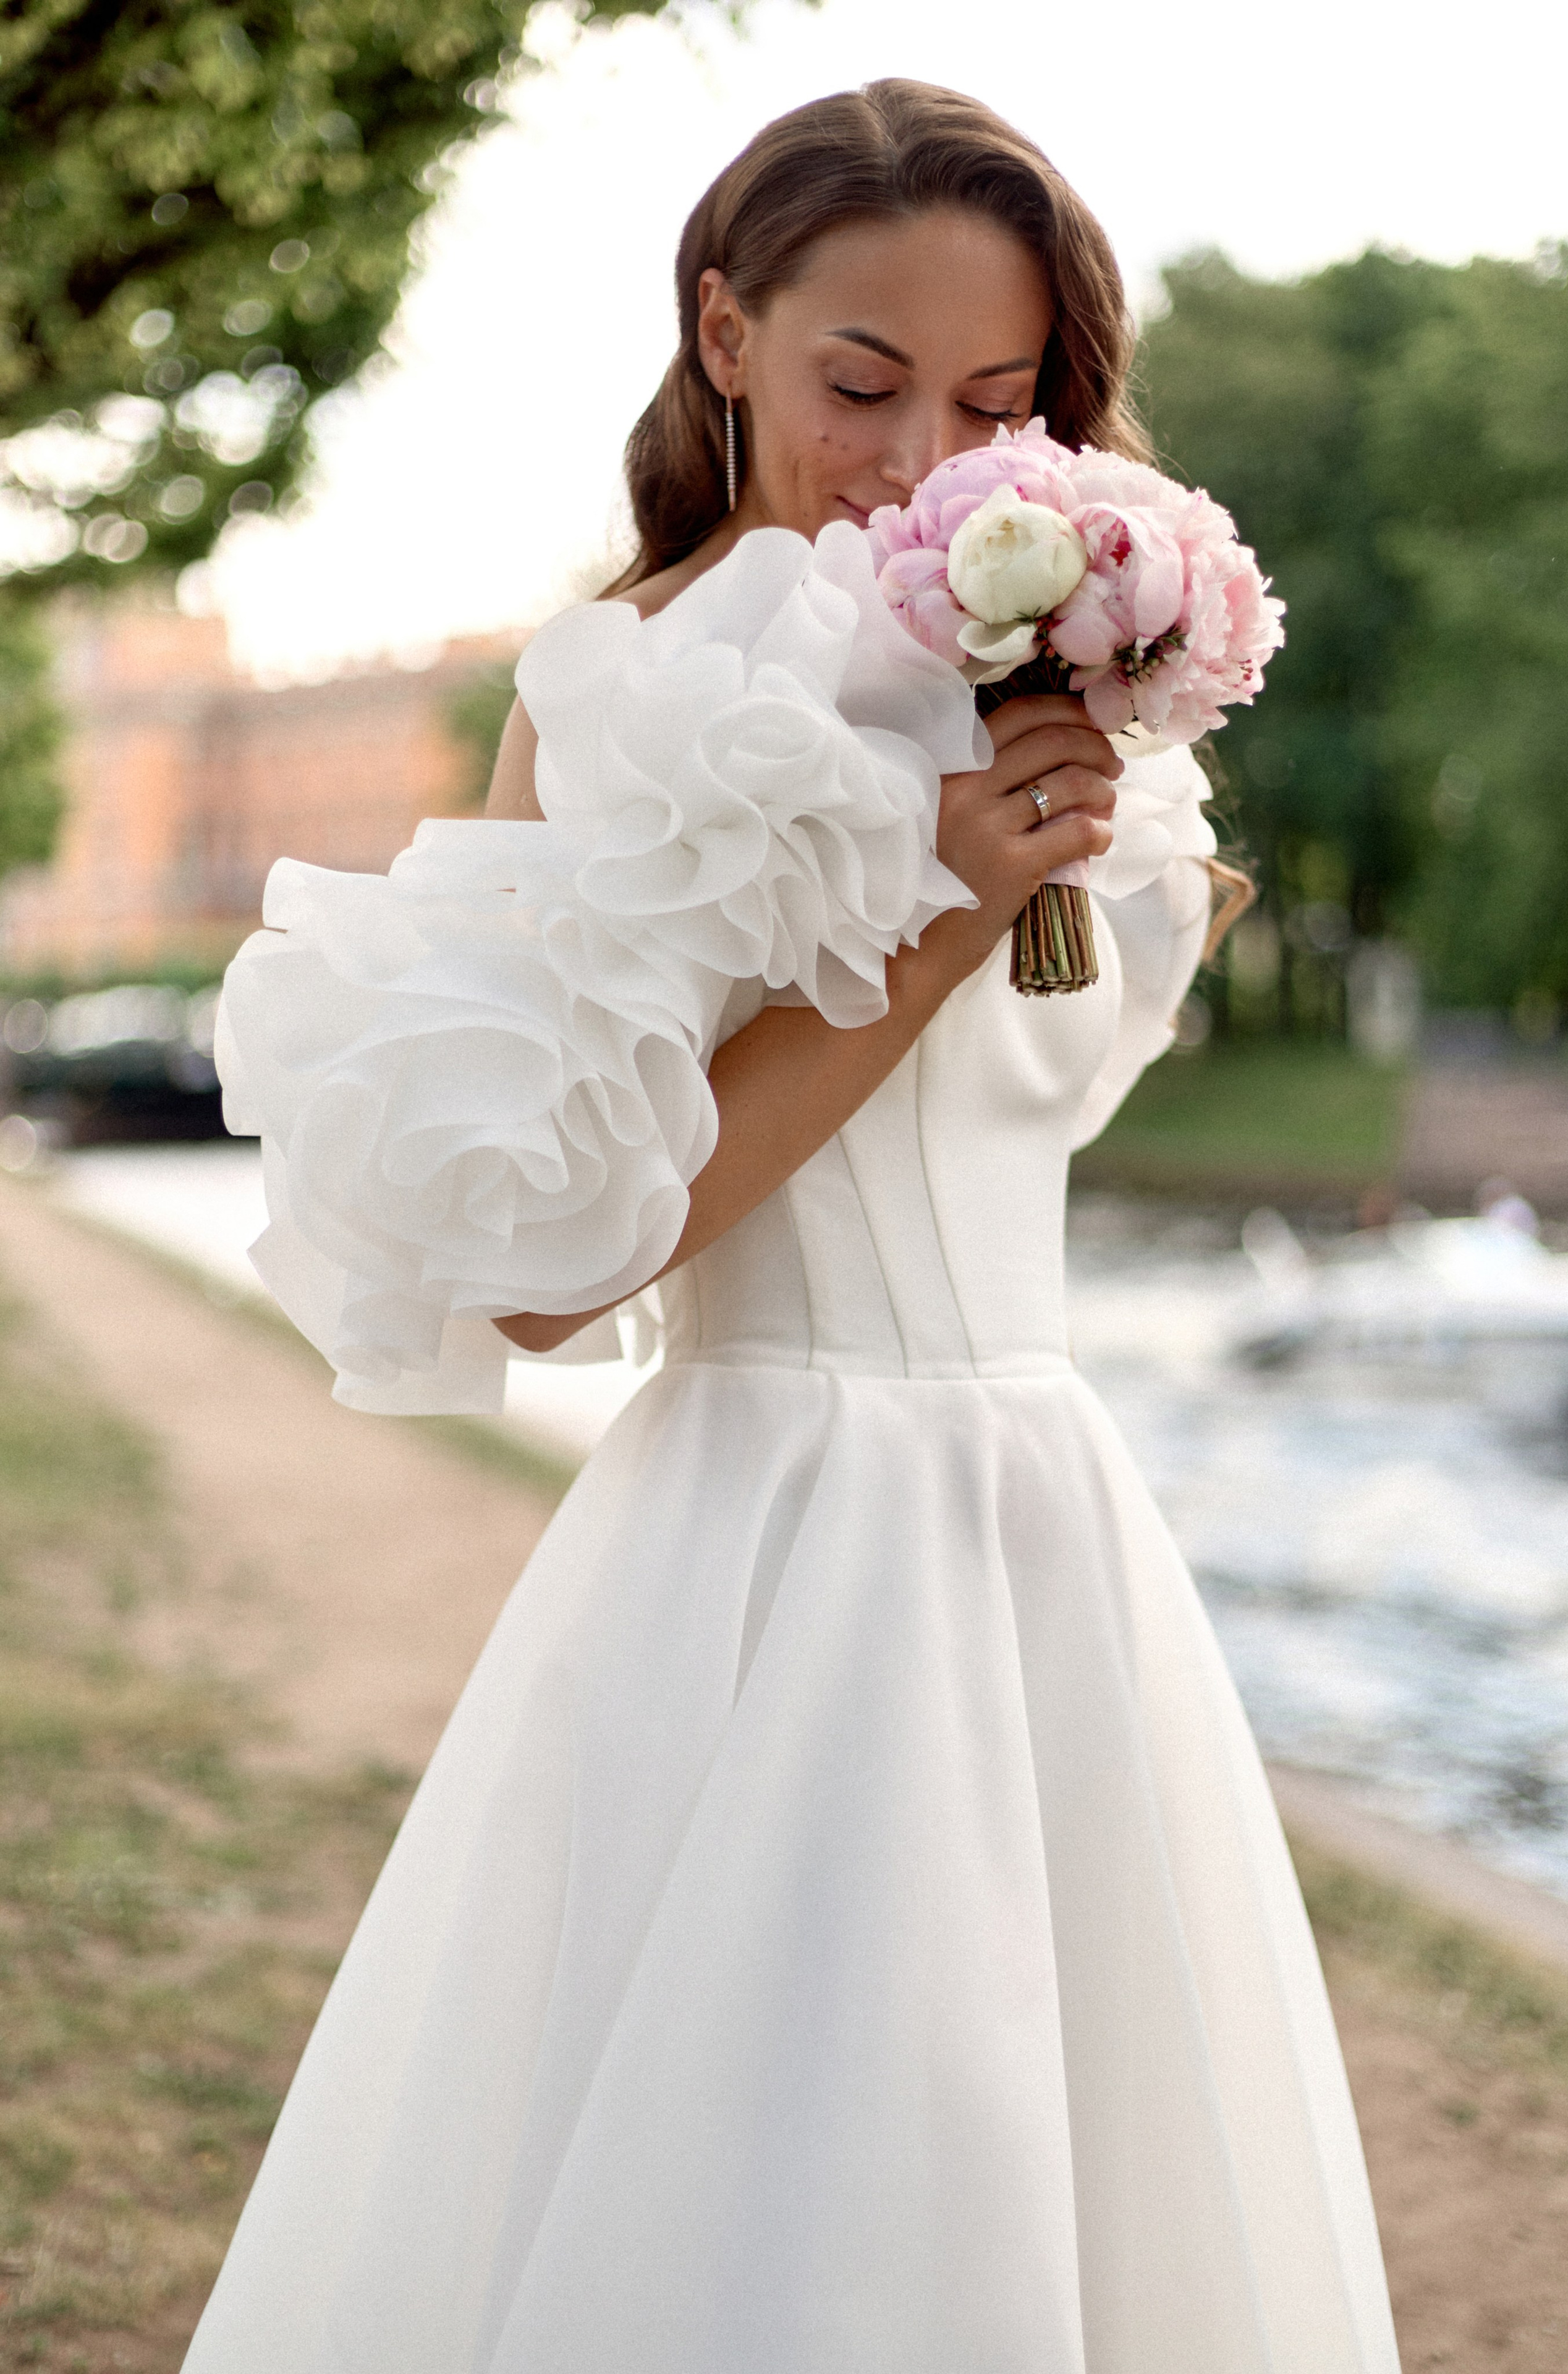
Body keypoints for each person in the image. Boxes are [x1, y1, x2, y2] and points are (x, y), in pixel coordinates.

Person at [188, 80, 1401, 2374]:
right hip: (768, 1540)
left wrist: (1083, 817)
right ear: (726, 335)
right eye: (865, 382)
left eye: (998, 401)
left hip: (1050, 1524)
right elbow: (554, 1274)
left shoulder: (1060, 676)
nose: (924, 458)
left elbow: (1056, 1081)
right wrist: (939, 915)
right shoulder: (620, 698)